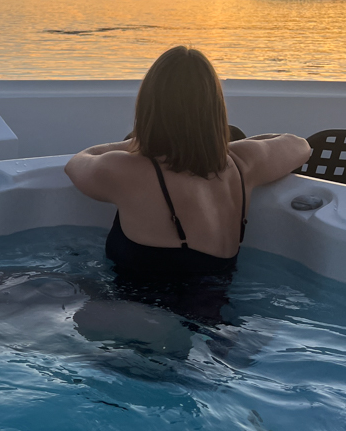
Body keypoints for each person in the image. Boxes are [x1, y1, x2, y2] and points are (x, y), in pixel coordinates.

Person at [65, 46, 311, 283]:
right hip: (218, 314)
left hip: (141, 317)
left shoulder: (123, 169)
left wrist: (136, 143)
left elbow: (77, 162)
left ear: (150, 107)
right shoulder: (243, 164)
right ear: (215, 110)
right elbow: (299, 145)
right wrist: (222, 146)